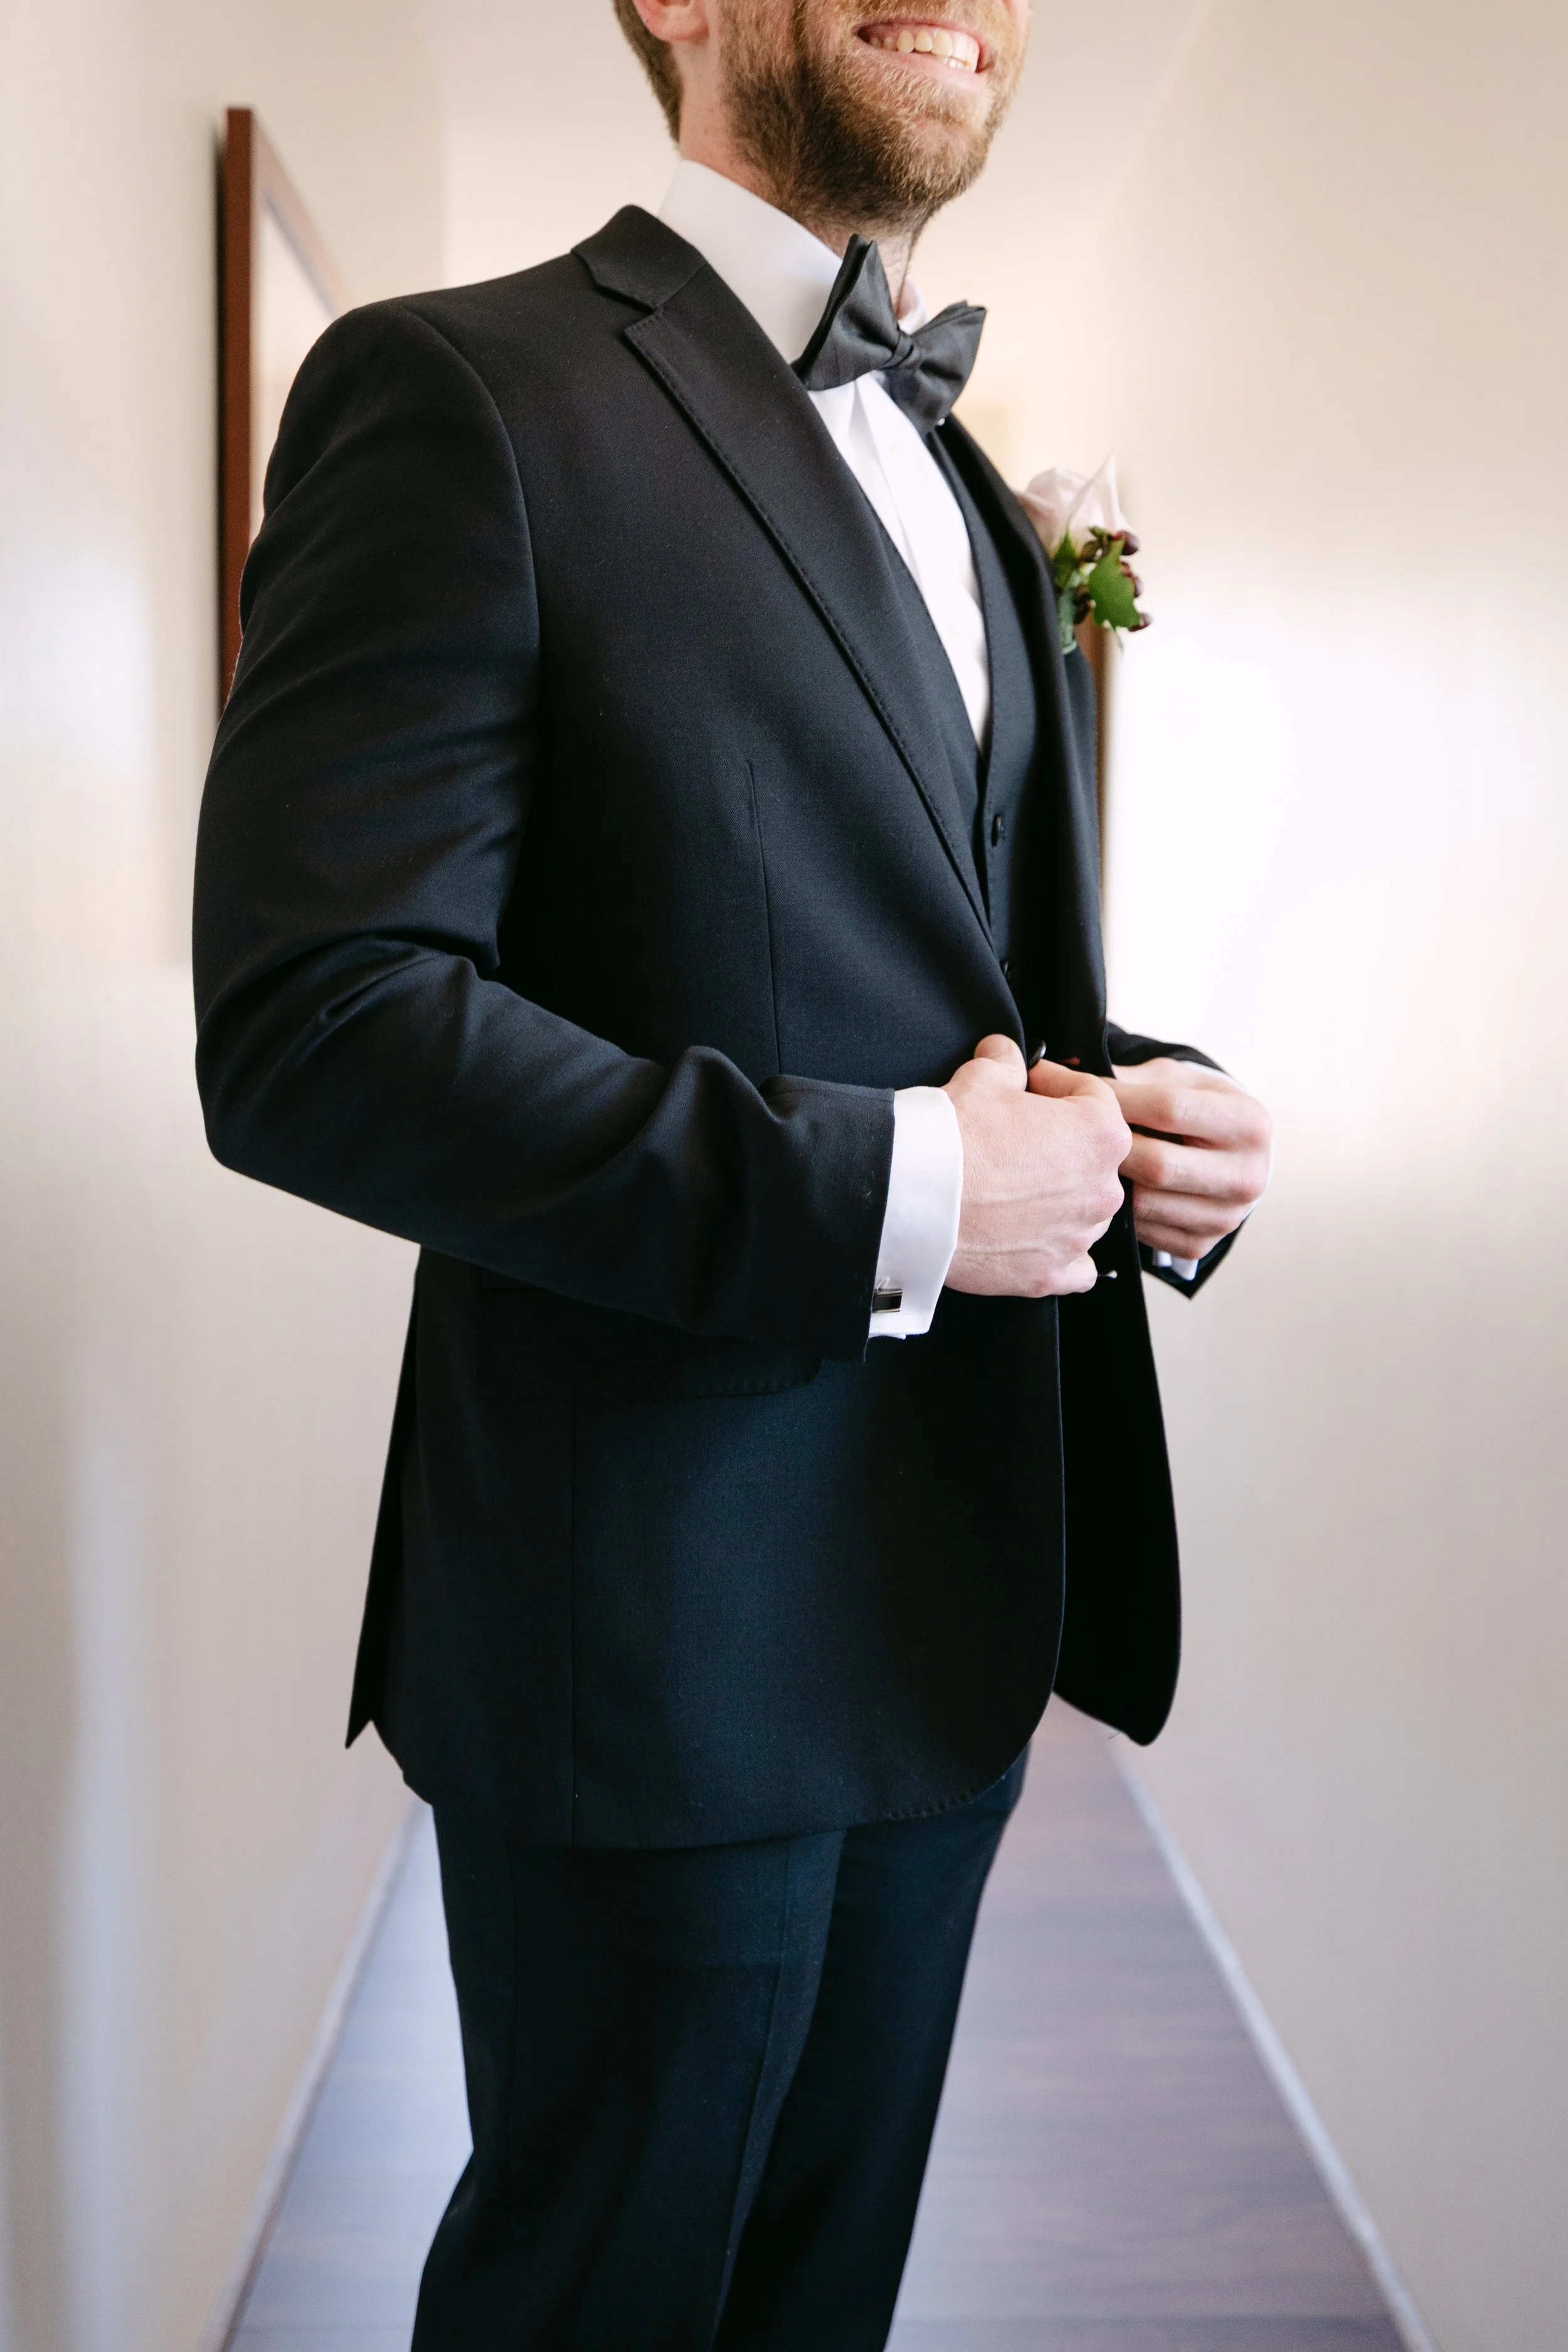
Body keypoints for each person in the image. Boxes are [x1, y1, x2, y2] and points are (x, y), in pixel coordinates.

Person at [193, 2, 1272, 2343]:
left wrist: (1134, 1119)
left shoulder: (973, 483)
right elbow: (314, 1024)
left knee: (815, 2305)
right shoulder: (455, 391)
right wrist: (900, 1189)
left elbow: (943, 973)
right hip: (650, 1630)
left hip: (954, 1607)